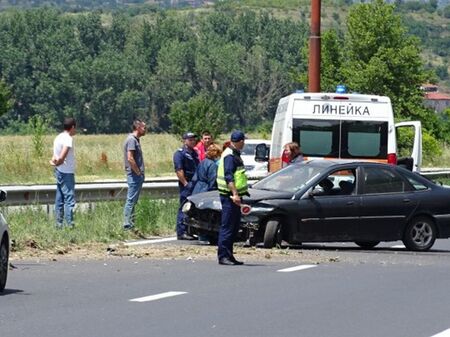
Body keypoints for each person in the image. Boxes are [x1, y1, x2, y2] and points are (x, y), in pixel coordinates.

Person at [216, 130, 249, 265]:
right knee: (228, 227)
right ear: (240, 141)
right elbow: (228, 176)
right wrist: (235, 194)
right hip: (229, 197)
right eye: (243, 141)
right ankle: (223, 256)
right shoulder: (230, 156)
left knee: (234, 227)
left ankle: (229, 255)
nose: (244, 143)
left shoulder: (234, 153)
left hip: (234, 196)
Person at [49, 117, 77, 228]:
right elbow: (62, 156)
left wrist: (54, 163)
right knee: (69, 200)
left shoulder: (58, 137)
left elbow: (55, 156)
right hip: (67, 172)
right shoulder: (67, 139)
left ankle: (58, 224)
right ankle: (70, 225)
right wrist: (58, 162)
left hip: (59, 171)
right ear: (73, 127)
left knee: (59, 199)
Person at [173, 132, 199, 240]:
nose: (193, 141)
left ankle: (189, 230)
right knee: (184, 207)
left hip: (195, 182)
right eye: (190, 139)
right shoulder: (180, 154)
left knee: (192, 208)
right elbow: (179, 170)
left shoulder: (194, 153)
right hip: (187, 182)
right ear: (184, 140)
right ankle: (181, 231)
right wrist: (185, 183)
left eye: (194, 139)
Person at [123, 119, 147, 230]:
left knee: (133, 201)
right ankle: (127, 224)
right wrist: (138, 172)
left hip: (136, 175)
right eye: (144, 127)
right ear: (138, 128)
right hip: (134, 175)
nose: (145, 130)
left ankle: (131, 224)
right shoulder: (132, 140)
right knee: (131, 200)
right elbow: (130, 158)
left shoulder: (135, 140)